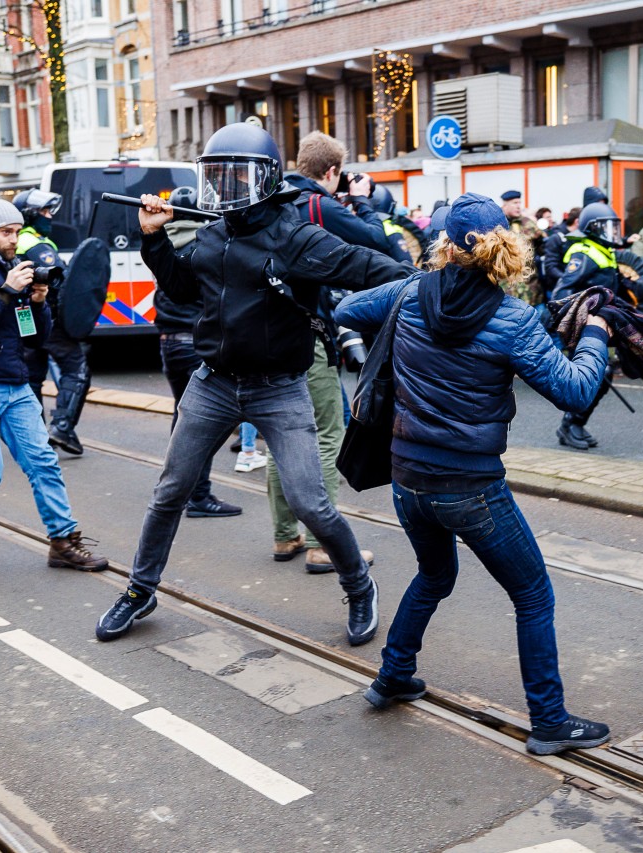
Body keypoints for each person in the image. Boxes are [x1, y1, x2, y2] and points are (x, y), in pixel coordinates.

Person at [94, 123, 411, 646]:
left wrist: (433, 287)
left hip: (280, 387)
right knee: (170, 490)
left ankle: (359, 586)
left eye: (237, 176)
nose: (226, 190)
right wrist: (153, 237)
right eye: (217, 178)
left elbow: (373, 267)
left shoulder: (297, 237)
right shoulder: (214, 232)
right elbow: (180, 286)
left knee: (311, 502)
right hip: (212, 383)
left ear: (265, 178)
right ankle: (140, 589)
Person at [334, 192, 614, 756]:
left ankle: (392, 676)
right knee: (533, 594)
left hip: (408, 480)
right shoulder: (512, 320)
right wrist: (597, 334)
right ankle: (550, 721)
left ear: (443, 245)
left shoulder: (409, 293)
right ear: (504, 248)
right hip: (471, 487)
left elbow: (344, 311)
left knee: (434, 577)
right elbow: (577, 389)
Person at [0, 198, 108, 574]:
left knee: (43, 462)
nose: (14, 239)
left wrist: (39, 303)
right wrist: (6, 291)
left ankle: (63, 541)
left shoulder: (10, 265)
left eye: (15, 231)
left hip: (14, 380)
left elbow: (33, 337)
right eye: (6, 233)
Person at [266, 131, 413, 573]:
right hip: (305, 337)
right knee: (326, 434)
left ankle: (284, 535)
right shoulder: (320, 204)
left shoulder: (274, 200)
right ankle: (321, 544)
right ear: (331, 172)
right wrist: (363, 201)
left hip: (268, 335)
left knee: (280, 436)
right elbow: (379, 244)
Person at [157, 185, 243, 519]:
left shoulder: (165, 241)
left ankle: (180, 491)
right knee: (205, 424)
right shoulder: (204, 245)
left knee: (184, 420)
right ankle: (198, 496)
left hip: (168, 343)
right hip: (193, 344)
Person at [551, 202, 643, 450]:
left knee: (601, 374)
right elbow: (562, 292)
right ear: (592, 229)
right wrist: (571, 324)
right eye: (607, 227)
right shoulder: (583, 253)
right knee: (598, 374)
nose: (613, 232)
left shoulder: (604, 251)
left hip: (598, 327)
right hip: (581, 327)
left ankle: (574, 423)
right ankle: (569, 425)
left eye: (614, 227)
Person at [11, 189, 93, 457]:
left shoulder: (16, 242)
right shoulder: (36, 245)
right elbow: (61, 282)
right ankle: (62, 427)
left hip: (24, 315)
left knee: (33, 376)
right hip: (47, 316)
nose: (49, 217)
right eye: (45, 212)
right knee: (77, 370)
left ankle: (35, 438)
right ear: (30, 216)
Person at [500, 189, 545, 304]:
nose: (518, 206)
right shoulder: (497, 225)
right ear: (505, 205)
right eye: (515, 203)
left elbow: (543, 247)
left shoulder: (528, 223)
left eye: (520, 203)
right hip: (506, 289)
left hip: (530, 289)